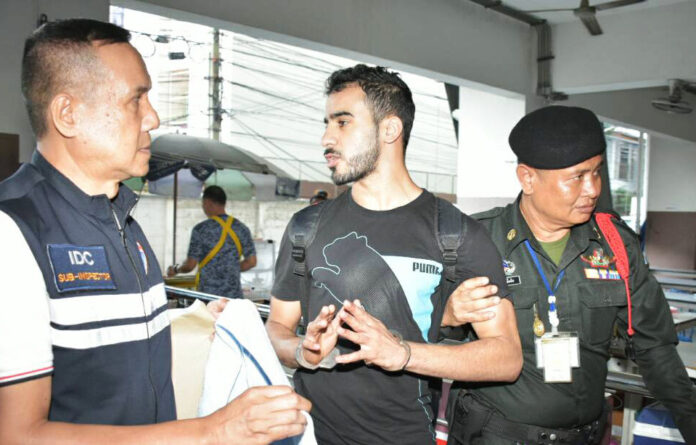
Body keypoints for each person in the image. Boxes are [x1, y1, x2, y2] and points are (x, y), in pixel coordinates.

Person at [0, 18, 310, 445]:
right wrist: (212, 431)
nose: (154, 117)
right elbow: (17, 434)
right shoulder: (12, 230)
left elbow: (104, 348)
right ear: (68, 114)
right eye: (136, 99)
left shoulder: (122, 219)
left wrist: (193, 319)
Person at [266, 64, 522, 445]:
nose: (325, 138)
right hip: (307, 433)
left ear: (390, 129)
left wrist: (403, 354)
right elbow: (277, 329)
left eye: (342, 122)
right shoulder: (306, 227)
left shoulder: (455, 234)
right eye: (326, 123)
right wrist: (303, 351)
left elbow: (506, 358)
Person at [445, 106, 696, 445]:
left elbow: (655, 348)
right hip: (497, 435)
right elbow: (422, 331)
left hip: (587, 436)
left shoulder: (615, 245)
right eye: (577, 177)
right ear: (528, 178)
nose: (592, 189)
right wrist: (448, 315)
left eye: (597, 173)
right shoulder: (476, 241)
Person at [167, 185, 256, 298]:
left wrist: (176, 269)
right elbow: (252, 262)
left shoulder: (201, 229)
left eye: (203, 204)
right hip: (234, 298)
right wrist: (230, 269)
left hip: (208, 298)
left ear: (208, 202)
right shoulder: (241, 228)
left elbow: (190, 265)